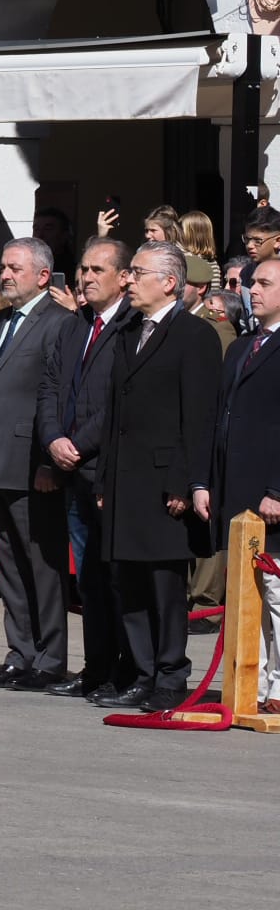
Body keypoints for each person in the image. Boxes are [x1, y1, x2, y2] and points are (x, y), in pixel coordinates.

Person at [89, 242, 223, 713]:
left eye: (137, 272)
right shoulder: (128, 331)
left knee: (166, 586)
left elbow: (200, 416)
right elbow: (114, 414)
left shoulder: (194, 336)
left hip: (167, 481)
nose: (127, 280)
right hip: (125, 478)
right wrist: (104, 479)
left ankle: (170, 674)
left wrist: (186, 482)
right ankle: (143, 673)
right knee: (128, 581)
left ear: (168, 282)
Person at [0, 238, 79, 691]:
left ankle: (50, 659)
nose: (4, 275)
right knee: (8, 563)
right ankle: (20, 653)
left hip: (35, 465)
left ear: (43, 276)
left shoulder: (59, 324)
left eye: (15, 268)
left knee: (43, 566)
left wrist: (53, 463)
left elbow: (61, 398)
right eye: (4, 267)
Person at [37, 236, 136, 702]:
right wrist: (53, 439)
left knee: (117, 576)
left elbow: (121, 399)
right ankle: (95, 668)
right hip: (72, 469)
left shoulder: (131, 329)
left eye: (99, 270)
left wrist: (77, 443)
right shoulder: (76, 326)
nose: (87, 277)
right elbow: (52, 384)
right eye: (84, 269)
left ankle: (128, 669)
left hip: (106, 470)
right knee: (89, 579)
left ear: (123, 277)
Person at [203, 257, 280, 714]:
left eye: (266, 283)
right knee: (250, 593)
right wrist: (206, 482)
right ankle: (252, 678)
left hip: (270, 492)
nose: (254, 290)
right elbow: (222, 417)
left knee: (276, 594)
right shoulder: (242, 346)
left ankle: (278, 684)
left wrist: (278, 489)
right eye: (252, 283)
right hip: (238, 491)